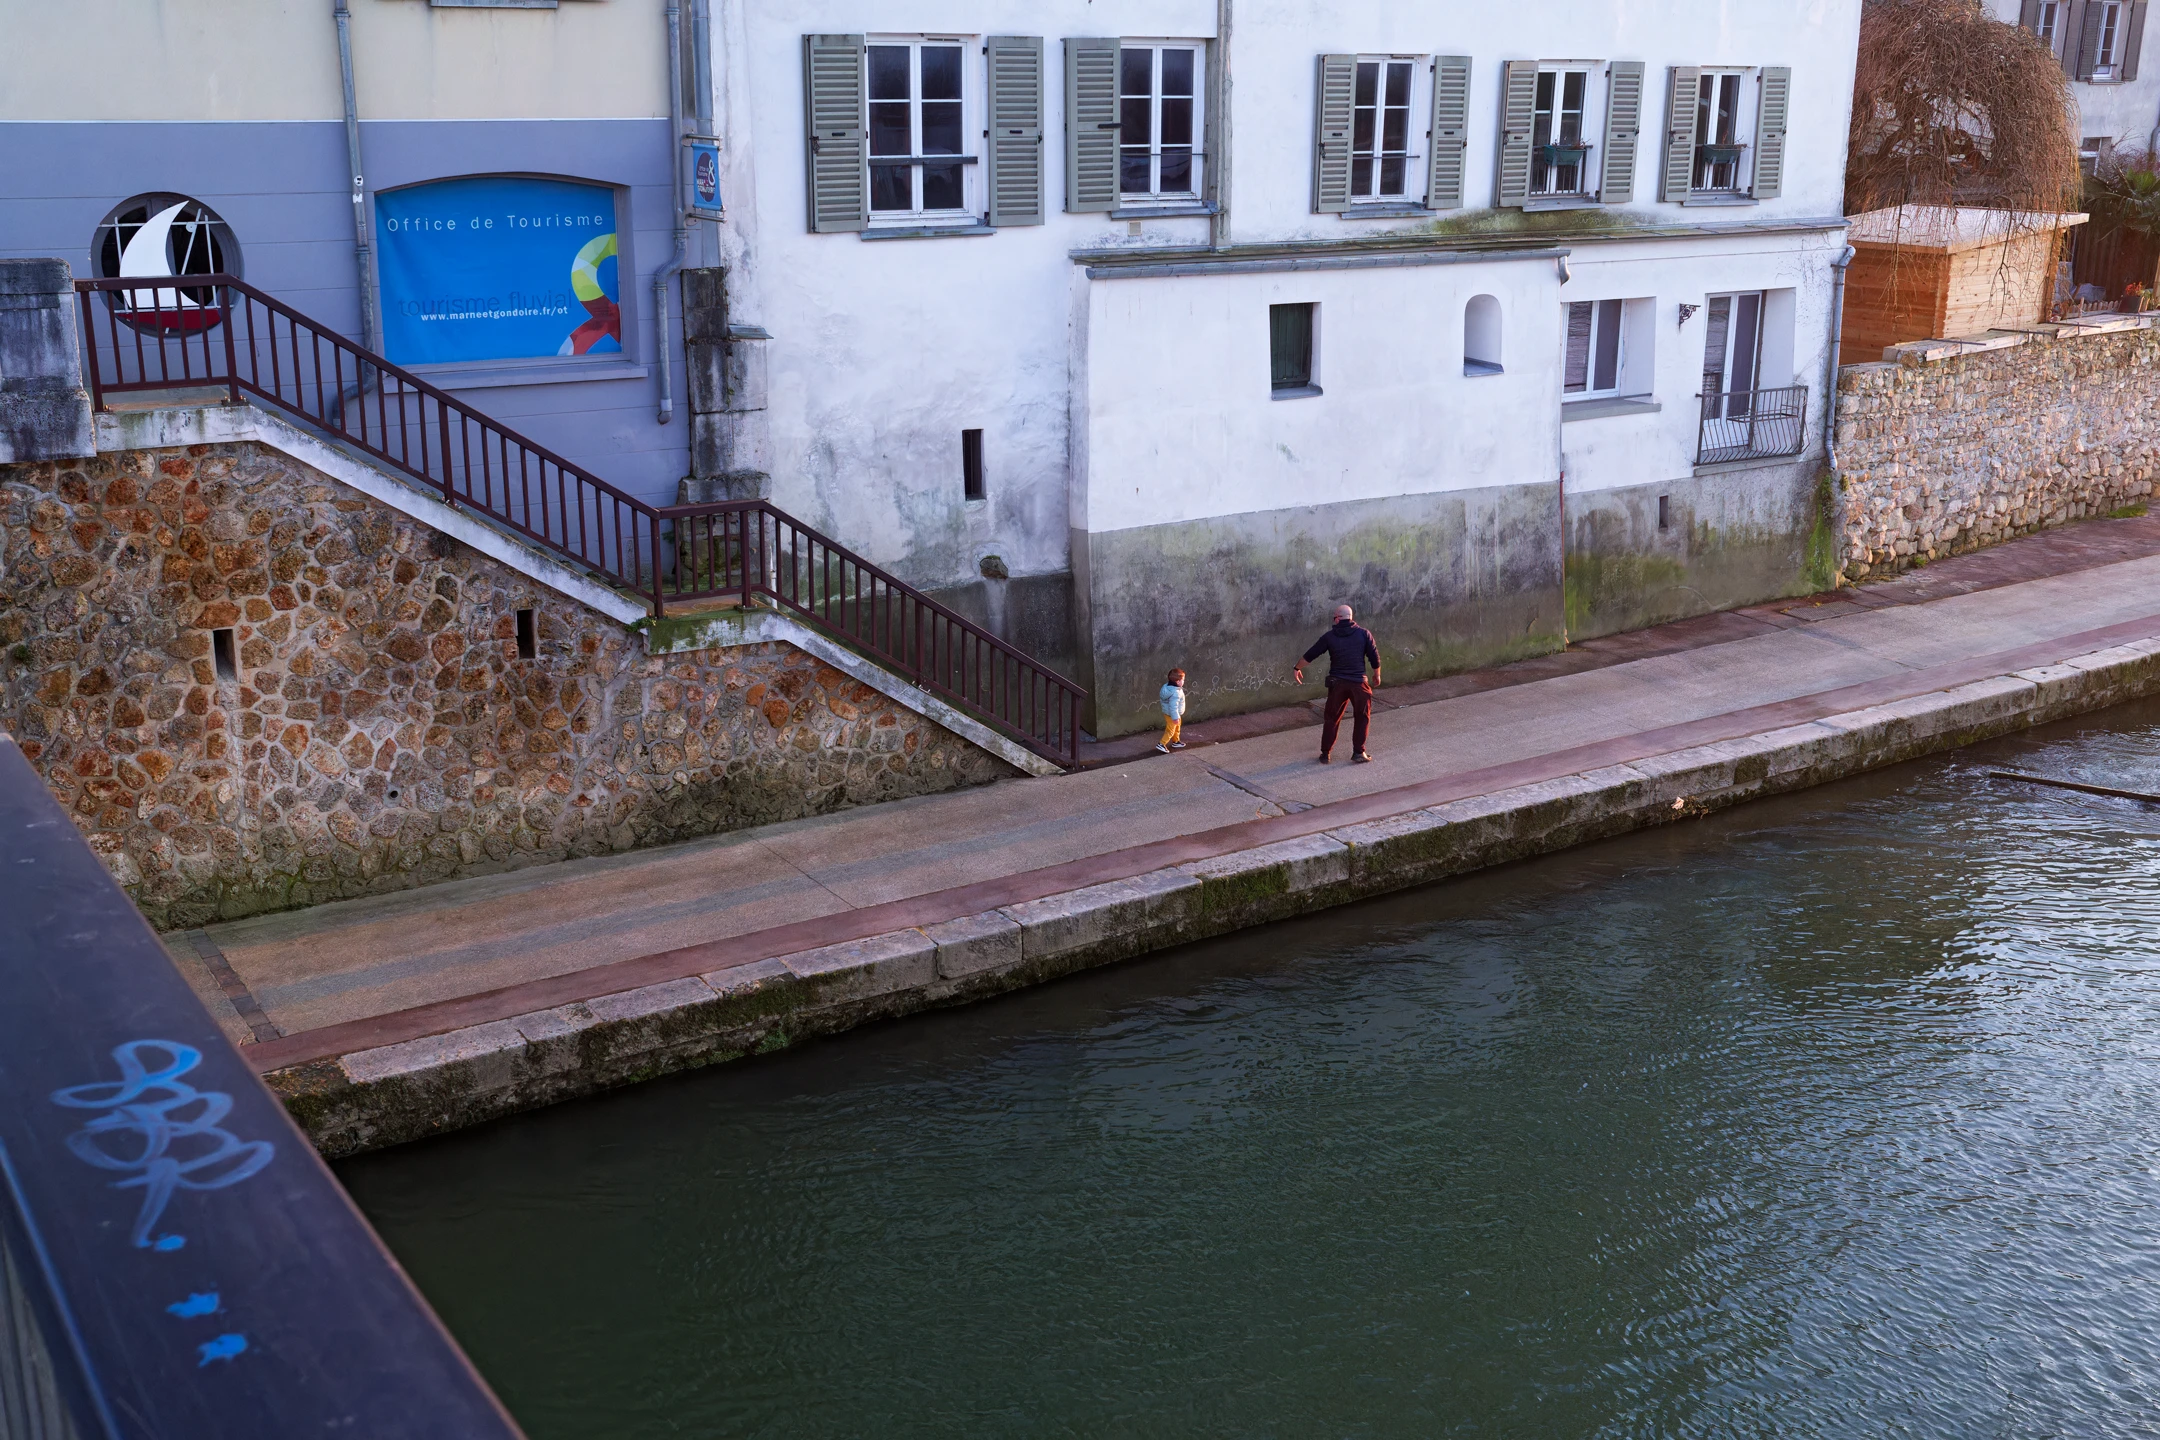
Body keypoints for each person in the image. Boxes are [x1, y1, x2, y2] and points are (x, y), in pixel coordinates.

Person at [1294, 605, 1381, 763]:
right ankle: (1358, 752)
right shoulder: (1363, 634)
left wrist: (1297, 668)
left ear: (1337, 618)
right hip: (1359, 683)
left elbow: (1311, 654)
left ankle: (1326, 753)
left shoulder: (1330, 636)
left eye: (1334, 617)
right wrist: (1377, 675)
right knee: (1362, 717)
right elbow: (1374, 656)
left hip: (1337, 684)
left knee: (1332, 717)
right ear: (1351, 618)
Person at [1156, 668, 1188, 753]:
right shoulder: (1175, 693)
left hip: (1171, 713)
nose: (1184, 682)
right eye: (1183, 680)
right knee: (1171, 730)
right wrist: (1175, 717)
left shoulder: (1167, 687)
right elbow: (1173, 706)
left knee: (1177, 727)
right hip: (1172, 714)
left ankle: (1176, 741)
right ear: (1177, 681)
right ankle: (1162, 744)